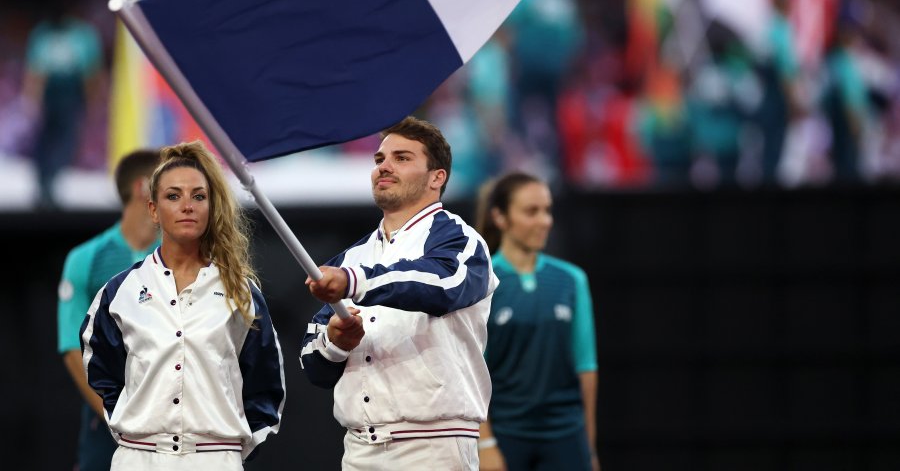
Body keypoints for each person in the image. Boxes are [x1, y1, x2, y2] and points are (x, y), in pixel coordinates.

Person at [300, 116, 498, 470]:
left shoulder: (460, 240)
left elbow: (442, 286)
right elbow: (311, 364)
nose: (384, 167)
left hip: (434, 446)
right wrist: (335, 343)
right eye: (379, 160)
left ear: (437, 177)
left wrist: (355, 282)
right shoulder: (351, 258)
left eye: (402, 158)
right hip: (359, 448)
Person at [81, 141, 285, 470]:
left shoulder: (241, 293)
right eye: (173, 196)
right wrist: (133, 422)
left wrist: (228, 450)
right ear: (153, 209)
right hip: (139, 457)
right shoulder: (121, 292)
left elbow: (266, 383)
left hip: (215, 458)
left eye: (198, 196)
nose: (187, 205)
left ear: (211, 206)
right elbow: (100, 369)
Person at [475, 172, 599, 471]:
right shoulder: (481, 282)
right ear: (500, 217)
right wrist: (486, 443)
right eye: (532, 211)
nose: (545, 221)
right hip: (506, 436)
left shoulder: (572, 280)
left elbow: (586, 367)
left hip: (566, 436)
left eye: (547, 210)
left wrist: (589, 448)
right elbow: (471, 371)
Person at [57, 148, 162, 471]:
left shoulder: (185, 257)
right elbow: (71, 345)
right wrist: (114, 415)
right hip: (106, 424)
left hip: (172, 420)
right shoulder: (85, 259)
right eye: (170, 185)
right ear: (144, 188)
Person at [23, 0, 103, 209]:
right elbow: (36, 70)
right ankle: (44, 183)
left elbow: (90, 72)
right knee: (47, 140)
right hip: (51, 93)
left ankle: (52, 181)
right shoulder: (42, 33)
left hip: (71, 93)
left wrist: (92, 100)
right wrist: (32, 98)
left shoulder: (82, 34)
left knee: (66, 140)